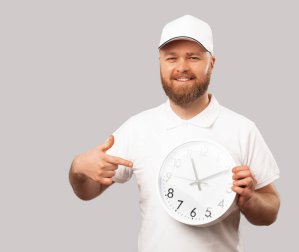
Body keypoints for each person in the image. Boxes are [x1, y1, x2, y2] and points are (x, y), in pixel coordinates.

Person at [69, 14, 280, 252]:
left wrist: (250, 200)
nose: (182, 67)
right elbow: (88, 191)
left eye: (193, 57)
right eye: (171, 58)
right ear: (160, 62)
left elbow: (270, 210)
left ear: (211, 63)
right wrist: (78, 168)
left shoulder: (243, 129)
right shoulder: (137, 128)